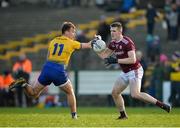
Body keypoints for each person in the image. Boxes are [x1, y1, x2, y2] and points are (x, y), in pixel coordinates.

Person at [9, 21, 93, 119]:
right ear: (66, 32)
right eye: (72, 32)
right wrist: (95, 41)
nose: (74, 34)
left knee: (33, 93)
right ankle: (74, 116)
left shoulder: (53, 41)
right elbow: (88, 45)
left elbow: (48, 56)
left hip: (47, 67)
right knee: (70, 92)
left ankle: (23, 84)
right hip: (58, 69)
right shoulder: (71, 43)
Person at [92, 22, 171, 119]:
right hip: (125, 72)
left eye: (114, 31)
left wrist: (116, 60)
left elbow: (132, 59)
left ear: (120, 31)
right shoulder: (113, 43)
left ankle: (162, 105)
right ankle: (123, 115)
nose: (112, 33)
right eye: (111, 31)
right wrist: (95, 45)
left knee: (135, 94)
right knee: (115, 93)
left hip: (135, 70)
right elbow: (104, 55)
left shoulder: (127, 42)